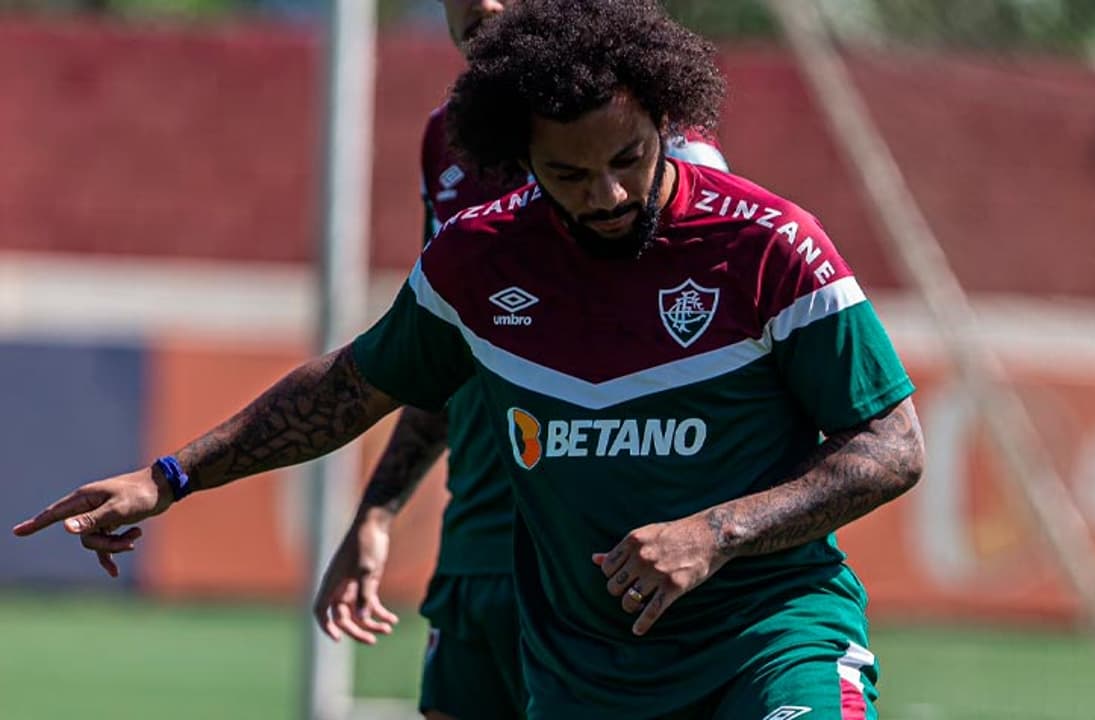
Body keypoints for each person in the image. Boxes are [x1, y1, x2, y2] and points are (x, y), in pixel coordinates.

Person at [12, 1, 923, 718]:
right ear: (517, 159)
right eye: (569, 175)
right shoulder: (478, 261)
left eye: (630, 159)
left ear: (665, 118)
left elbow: (891, 445)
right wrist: (169, 478)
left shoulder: (769, 243)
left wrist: (715, 532)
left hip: (771, 638)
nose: (606, 194)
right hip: (588, 676)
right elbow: (349, 389)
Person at [310, 1, 729, 718]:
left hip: (601, 563)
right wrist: (378, 511)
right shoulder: (446, 141)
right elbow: (442, 351)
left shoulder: (653, 136)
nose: (486, 3)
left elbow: (709, 348)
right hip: (479, 543)